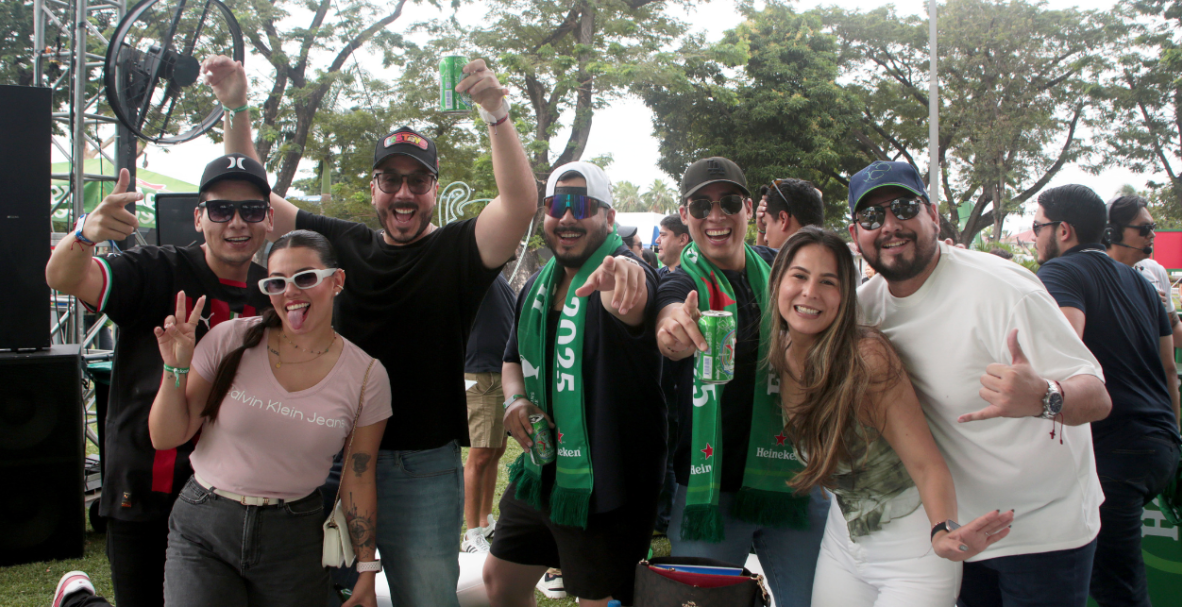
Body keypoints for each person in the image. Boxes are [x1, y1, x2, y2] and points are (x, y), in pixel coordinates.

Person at [203, 53, 537, 605]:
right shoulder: (340, 246)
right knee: (318, 593)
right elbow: (251, 192)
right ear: (375, 185)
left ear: (434, 188)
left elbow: (520, 205)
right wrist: (237, 106)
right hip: (327, 455)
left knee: (426, 597)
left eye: (418, 181)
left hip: (421, 466)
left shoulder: (460, 250)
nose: (403, 193)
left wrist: (496, 112)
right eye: (391, 179)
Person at [846, 161, 1111, 607]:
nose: (890, 226)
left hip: (1043, 535)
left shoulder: (1002, 289)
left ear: (931, 214)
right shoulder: (864, 310)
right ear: (856, 236)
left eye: (903, 207)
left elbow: (1098, 396)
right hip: (957, 536)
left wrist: (1045, 396)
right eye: (871, 217)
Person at [45, 153, 274, 607]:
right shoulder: (157, 270)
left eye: (250, 210)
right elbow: (64, 277)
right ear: (197, 217)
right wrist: (85, 235)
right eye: (220, 209)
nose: (236, 222)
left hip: (232, 498)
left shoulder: (274, 293)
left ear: (268, 220)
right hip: (150, 492)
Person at [768, 227, 1014, 606]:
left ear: (845, 295)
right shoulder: (781, 353)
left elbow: (926, 463)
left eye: (828, 282)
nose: (810, 292)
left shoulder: (865, 360)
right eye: (799, 276)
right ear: (778, 281)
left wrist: (944, 531)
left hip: (914, 555)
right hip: (842, 542)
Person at [484, 162, 666, 607]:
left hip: (606, 483)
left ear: (607, 217)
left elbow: (634, 297)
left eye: (580, 205)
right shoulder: (536, 289)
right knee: (499, 580)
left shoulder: (619, 273)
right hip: (540, 470)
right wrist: (514, 401)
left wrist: (628, 280)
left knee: (595, 600)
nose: (566, 217)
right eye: (556, 204)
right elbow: (512, 359)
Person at [654, 156, 830, 607]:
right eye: (701, 206)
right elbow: (670, 317)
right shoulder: (677, 282)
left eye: (729, 202)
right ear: (686, 213)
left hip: (790, 483)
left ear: (750, 209)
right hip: (709, 492)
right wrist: (674, 332)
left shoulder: (780, 271)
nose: (716, 216)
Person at [1031, 185, 1181, 607]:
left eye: (1038, 225)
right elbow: (1169, 367)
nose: (1035, 234)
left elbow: (1060, 355)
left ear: (1063, 230)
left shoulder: (1061, 274)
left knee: (1118, 592)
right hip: (1159, 445)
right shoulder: (1139, 283)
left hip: (1114, 456)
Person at [462, 273, 517, 553]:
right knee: (481, 453)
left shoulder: (499, 277)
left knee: (495, 450)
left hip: (500, 372)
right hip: (482, 373)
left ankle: (485, 521)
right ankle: (471, 534)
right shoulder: (474, 271)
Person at [1105, 194, 1182, 348]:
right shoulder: (1092, 275)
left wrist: (1158, 312)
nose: (1152, 234)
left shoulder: (1155, 271)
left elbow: (1173, 330)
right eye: (1145, 228)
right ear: (1112, 232)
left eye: (1152, 227)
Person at [755, 178, 825, 249]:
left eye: (766, 224)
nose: (765, 238)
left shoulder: (789, 258)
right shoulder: (830, 254)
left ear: (783, 219)